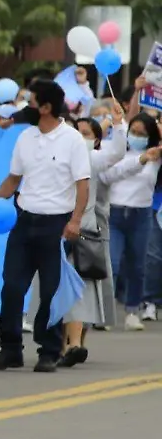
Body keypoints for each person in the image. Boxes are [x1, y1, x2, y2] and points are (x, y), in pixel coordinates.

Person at [0, 80, 90, 373]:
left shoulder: (71, 139)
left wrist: (75, 221)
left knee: (51, 291)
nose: (26, 109)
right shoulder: (26, 138)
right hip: (24, 220)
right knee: (12, 287)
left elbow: (83, 186)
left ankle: (49, 350)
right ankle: (10, 349)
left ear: (45, 108)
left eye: (31, 103)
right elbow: (13, 179)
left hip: (57, 225)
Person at [59, 111, 126, 364]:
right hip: (54, 231)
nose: (79, 137)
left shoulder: (92, 159)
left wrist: (119, 123)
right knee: (61, 290)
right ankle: (66, 345)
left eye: (86, 134)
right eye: (77, 131)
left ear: (97, 141)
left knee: (79, 290)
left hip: (82, 233)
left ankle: (74, 345)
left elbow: (119, 152)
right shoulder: (60, 155)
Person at [102, 113, 162, 331]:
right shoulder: (118, 152)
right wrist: (141, 160)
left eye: (142, 133)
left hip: (141, 215)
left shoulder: (156, 155)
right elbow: (109, 176)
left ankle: (132, 311)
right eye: (133, 132)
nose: (136, 136)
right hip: (115, 213)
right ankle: (104, 313)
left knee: (137, 267)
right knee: (113, 265)